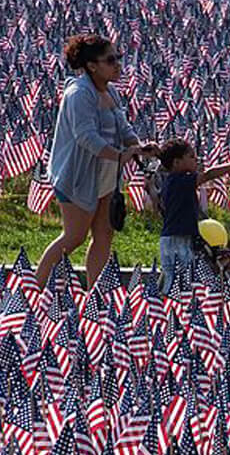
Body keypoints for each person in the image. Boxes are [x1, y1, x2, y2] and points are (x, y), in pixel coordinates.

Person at [36, 32, 155, 288]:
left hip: (106, 174)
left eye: (118, 58)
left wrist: (138, 146)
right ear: (92, 66)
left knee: (104, 235)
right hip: (78, 175)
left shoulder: (110, 91)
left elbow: (122, 126)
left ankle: (96, 296)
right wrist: (120, 156)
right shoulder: (79, 93)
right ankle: (35, 290)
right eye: (111, 60)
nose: (118, 65)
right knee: (74, 237)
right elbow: (85, 137)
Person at [155, 138, 230, 295]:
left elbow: (160, 205)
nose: (196, 159)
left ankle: (166, 303)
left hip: (167, 239)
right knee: (185, 281)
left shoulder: (169, 183)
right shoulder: (182, 181)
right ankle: (179, 308)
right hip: (181, 239)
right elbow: (209, 174)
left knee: (171, 279)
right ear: (177, 162)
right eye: (191, 156)